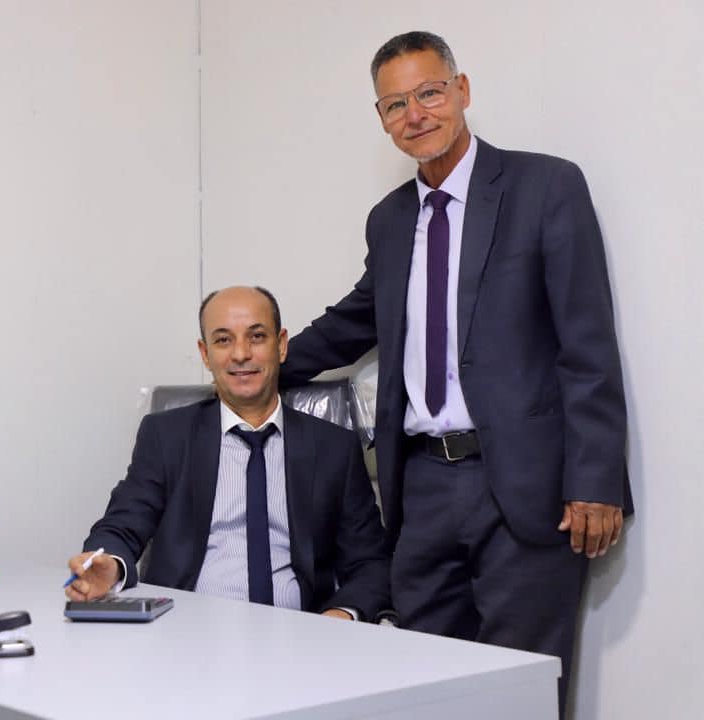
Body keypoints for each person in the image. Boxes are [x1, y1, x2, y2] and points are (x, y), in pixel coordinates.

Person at [279, 31, 631, 714]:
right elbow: (356, 320)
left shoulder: (545, 187)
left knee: (520, 691)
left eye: (430, 93)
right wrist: (263, 367)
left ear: (462, 90)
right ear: (381, 118)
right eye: (396, 104)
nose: (416, 114)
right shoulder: (389, 220)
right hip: (420, 490)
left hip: (525, 487)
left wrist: (595, 480)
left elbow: (586, 342)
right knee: (426, 687)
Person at [66, 286, 392, 622]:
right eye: (223, 340)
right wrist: (110, 566)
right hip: (185, 632)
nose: (240, 354)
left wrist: (340, 615)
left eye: (257, 337)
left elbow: (370, 562)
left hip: (299, 634)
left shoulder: (334, 448)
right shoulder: (166, 437)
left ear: (281, 345)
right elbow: (121, 526)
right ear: (205, 354)